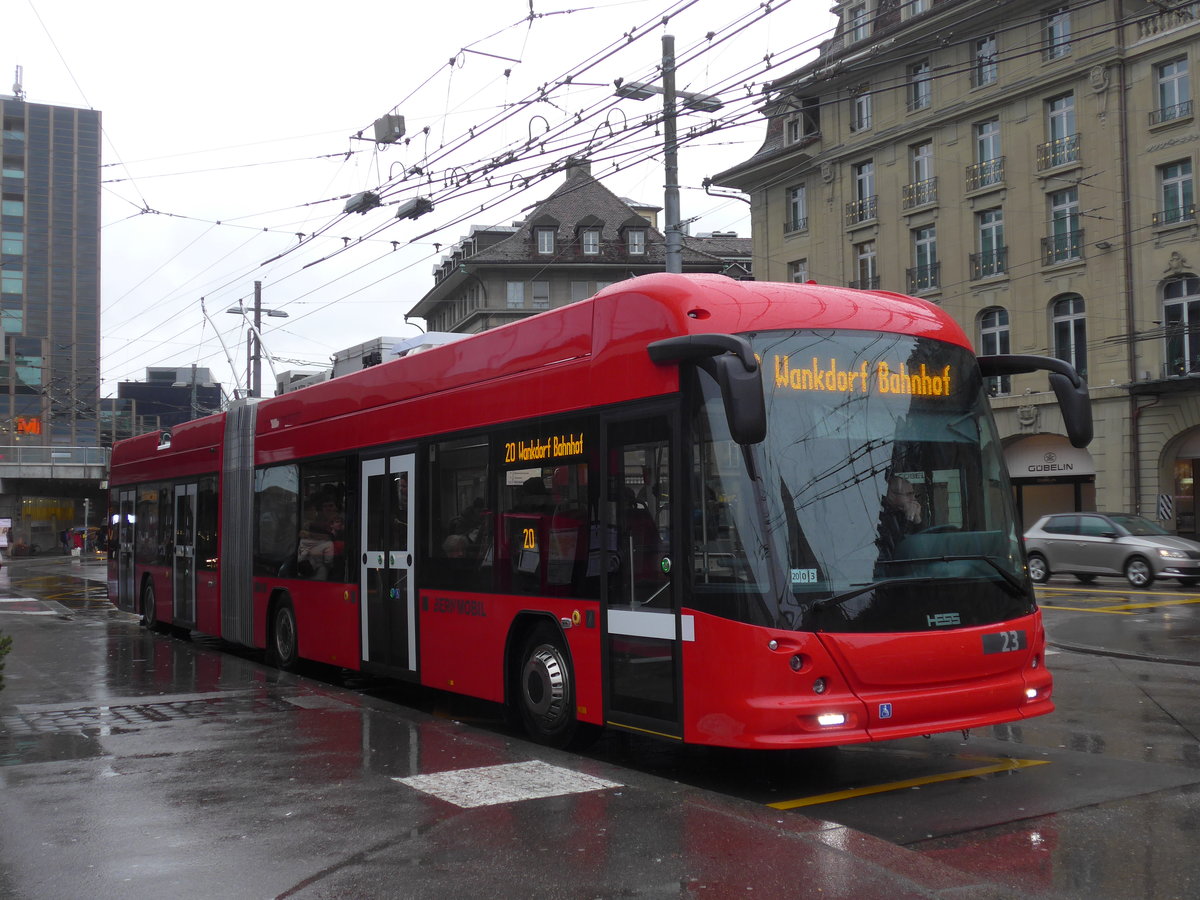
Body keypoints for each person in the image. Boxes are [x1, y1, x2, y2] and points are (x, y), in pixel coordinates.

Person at [876, 475, 923, 558]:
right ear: (892, 495)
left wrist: (917, 520)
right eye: (908, 494)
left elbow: (923, 546)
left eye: (913, 494)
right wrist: (909, 518)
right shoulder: (883, 516)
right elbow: (898, 550)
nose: (913, 498)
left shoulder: (901, 514)